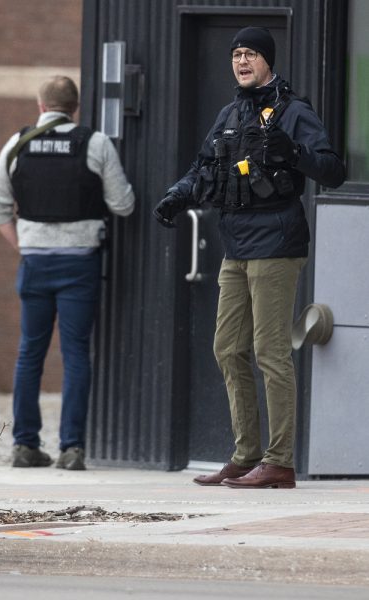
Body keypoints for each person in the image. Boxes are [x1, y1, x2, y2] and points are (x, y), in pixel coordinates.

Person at [154, 27, 344, 488]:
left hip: (276, 244)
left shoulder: (293, 111)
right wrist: (178, 196)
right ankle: (246, 454)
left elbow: (334, 171)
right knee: (227, 348)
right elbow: (204, 168)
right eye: (237, 54)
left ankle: (279, 461)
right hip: (235, 246)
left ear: (267, 61)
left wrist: (294, 152)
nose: (242, 61)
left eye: (251, 54)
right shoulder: (229, 113)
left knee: (270, 352)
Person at [0, 75, 135, 470]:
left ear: (40, 105)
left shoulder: (16, 145)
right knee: (75, 355)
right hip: (79, 263)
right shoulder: (95, 143)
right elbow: (123, 205)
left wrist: (25, 245)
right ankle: (72, 449)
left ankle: (24, 444)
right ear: (76, 107)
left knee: (29, 353)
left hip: (35, 263)